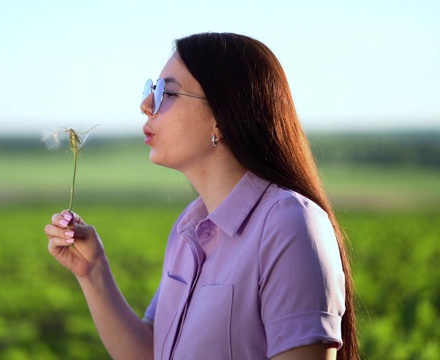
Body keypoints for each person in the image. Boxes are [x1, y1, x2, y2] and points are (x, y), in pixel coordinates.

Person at [44, 32, 359, 360]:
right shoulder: (189, 227)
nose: (146, 105)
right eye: (152, 89)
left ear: (223, 117)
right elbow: (153, 353)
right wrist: (93, 272)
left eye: (167, 91)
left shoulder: (289, 224)